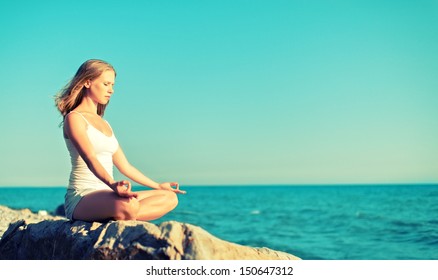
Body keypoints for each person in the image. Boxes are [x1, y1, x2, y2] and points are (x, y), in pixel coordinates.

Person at [54, 59, 185, 222]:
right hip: (83, 196)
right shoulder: (74, 118)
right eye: (106, 84)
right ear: (87, 82)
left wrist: (158, 186)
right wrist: (113, 184)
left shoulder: (105, 123)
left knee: (170, 197)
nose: (111, 90)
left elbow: (125, 166)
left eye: (113, 85)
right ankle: (123, 212)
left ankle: (121, 214)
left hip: (110, 194)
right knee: (129, 205)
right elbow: (90, 158)